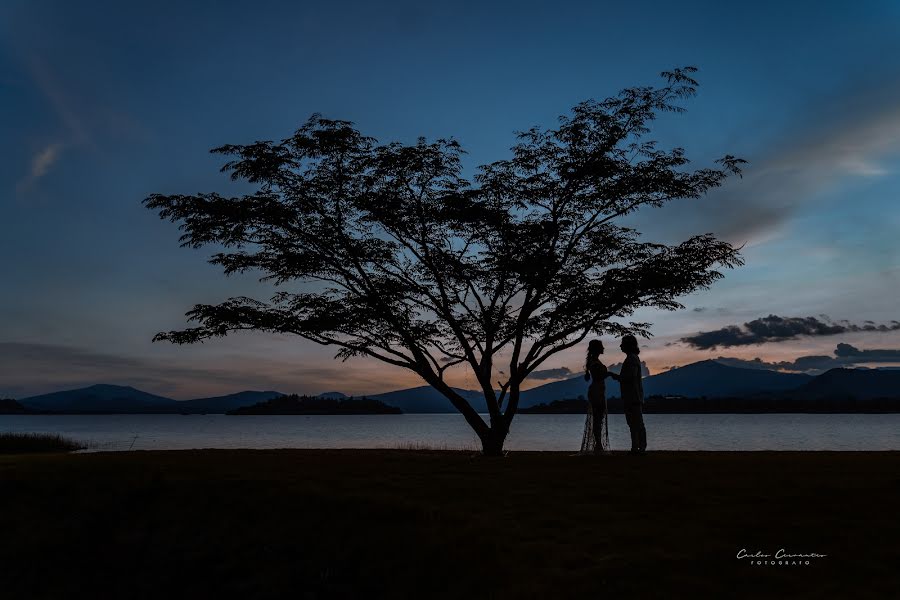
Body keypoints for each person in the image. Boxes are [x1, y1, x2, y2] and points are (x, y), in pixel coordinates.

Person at [610, 335, 647, 454]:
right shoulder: (632, 358)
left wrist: (615, 376)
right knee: (633, 422)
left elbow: (630, 376)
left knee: (636, 422)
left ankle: (640, 448)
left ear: (628, 345)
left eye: (623, 343)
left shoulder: (631, 359)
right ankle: (636, 447)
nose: (620, 346)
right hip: (632, 396)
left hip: (633, 396)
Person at [580, 339, 613, 454]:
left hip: (598, 391)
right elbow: (599, 376)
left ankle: (598, 445)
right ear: (597, 349)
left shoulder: (594, 361)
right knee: (598, 419)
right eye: (601, 346)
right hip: (596, 392)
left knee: (599, 418)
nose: (603, 348)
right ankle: (598, 445)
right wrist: (610, 374)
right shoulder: (594, 362)